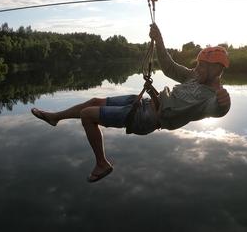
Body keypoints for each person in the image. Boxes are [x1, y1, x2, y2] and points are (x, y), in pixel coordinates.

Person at [31, 23, 232, 182]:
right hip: (143, 102)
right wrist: (159, 39)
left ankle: (102, 164)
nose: (196, 68)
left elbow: (217, 111)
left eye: (202, 66)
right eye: (197, 65)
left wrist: (225, 104)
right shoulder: (194, 77)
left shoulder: (211, 98)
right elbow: (169, 67)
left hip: (147, 118)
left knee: (87, 115)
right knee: (93, 101)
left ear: (216, 70)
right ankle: (55, 117)